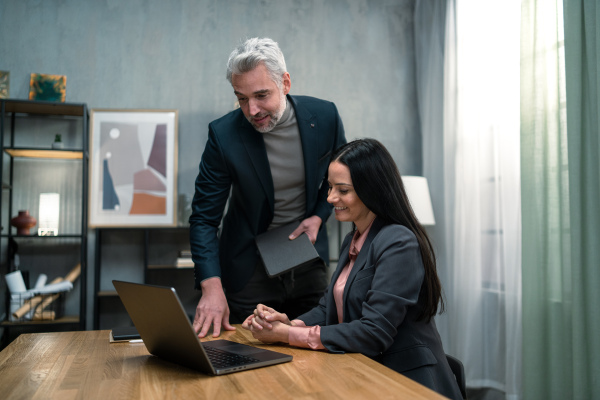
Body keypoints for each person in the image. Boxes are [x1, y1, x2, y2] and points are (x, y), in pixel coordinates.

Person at [242, 138, 463, 400]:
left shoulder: (398, 241)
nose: (331, 197)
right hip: (367, 371)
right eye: (330, 187)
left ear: (373, 190)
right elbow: (327, 309)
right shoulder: (355, 238)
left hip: (409, 383)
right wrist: (288, 322)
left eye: (343, 190)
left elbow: (373, 332)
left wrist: (288, 334)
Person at [189, 37, 346, 338]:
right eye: (242, 98)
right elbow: (204, 219)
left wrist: (318, 216)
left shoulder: (324, 117)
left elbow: (337, 180)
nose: (252, 109)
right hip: (248, 265)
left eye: (261, 95)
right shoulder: (223, 135)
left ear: (285, 83)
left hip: (306, 256)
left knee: (316, 349)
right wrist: (211, 287)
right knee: (246, 355)